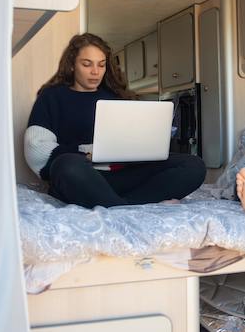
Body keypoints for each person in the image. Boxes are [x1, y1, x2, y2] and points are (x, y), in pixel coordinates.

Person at [24, 33, 206, 208]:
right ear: (72, 65)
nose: (95, 71)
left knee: (194, 165)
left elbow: (133, 138)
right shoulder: (53, 96)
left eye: (101, 65)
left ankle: (120, 205)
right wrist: (86, 154)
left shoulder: (117, 96)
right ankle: (129, 204)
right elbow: (36, 147)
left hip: (122, 174)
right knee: (67, 165)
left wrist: (147, 145)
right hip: (84, 177)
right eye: (87, 64)